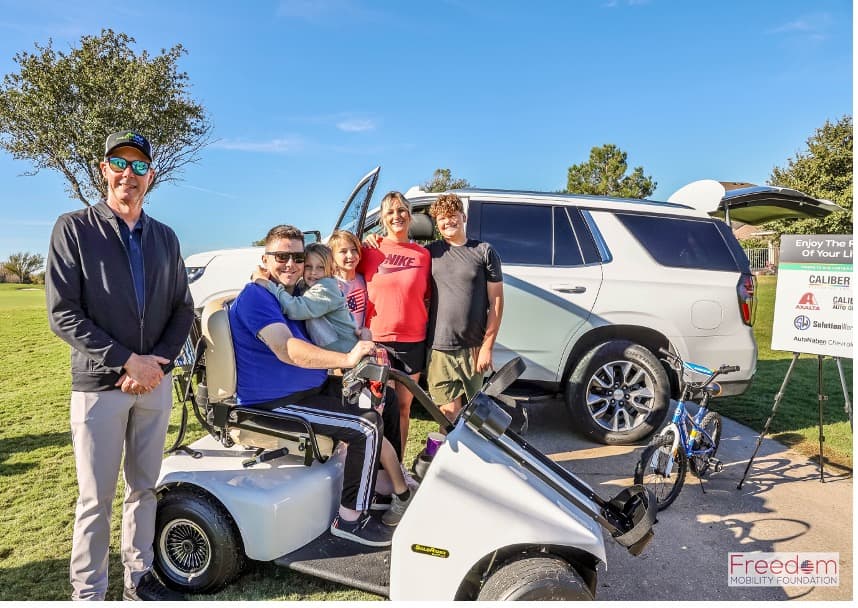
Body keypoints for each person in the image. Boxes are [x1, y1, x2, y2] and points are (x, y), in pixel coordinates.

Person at [45, 131, 194, 601]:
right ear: (104, 169)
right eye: (118, 162)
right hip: (99, 387)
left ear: (151, 175)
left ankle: (139, 579)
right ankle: (88, 592)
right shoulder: (73, 229)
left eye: (138, 165)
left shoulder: (165, 237)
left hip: (155, 384)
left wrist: (157, 365)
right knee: (95, 500)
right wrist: (127, 360)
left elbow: (183, 309)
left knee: (144, 489)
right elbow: (63, 312)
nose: (128, 173)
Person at [229, 225, 414, 546]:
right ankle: (350, 519)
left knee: (388, 402)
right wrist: (347, 358)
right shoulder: (257, 296)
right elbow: (286, 349)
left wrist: (360, 334)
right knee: (366, 427)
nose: (291, 263)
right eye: (281, 256)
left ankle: (384, 487)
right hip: (275, 400)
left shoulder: (298, 290)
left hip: (308, 389)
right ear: (265, 259)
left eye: (297, 257)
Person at [357, 192, 431, 455]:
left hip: (413, 341)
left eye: (401, 211)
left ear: (410, 216)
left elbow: (428, 296)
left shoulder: (424, 255)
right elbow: (338, 265)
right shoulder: (369, 251)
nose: (396, 216)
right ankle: (376, 465)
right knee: (378, 407)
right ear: (383, 219)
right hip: (378, 342)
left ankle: (397, 464)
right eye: (390, 212)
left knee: (403, 408)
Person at [426, 194, 504, 422]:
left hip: (473, 349)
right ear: (436, 223)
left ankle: (477, 457)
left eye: (453, 216)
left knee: (476, 419)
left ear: (464, 217)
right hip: (440, 349)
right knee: (448, 417)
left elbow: (496, 302)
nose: (448, 222)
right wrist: (375, 241)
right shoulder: (430, 253)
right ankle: (448, 457)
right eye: (442, 218)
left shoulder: (484, 251)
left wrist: (487, 347)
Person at [254, 242, 359, 353]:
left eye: (320, 267)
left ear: (330, 270)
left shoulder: (326, 288)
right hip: (337, 353)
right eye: (308, 267)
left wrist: (267, 283)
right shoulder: (305, 286)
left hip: (347, 351)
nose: (313, 272)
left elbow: (295, 308)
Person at [328, 230, 368, 330]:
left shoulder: (363, 279)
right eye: (343, 251)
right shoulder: (331, 285)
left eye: (354, 250)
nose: (350, 255)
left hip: (364, 338)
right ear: (332, 256)